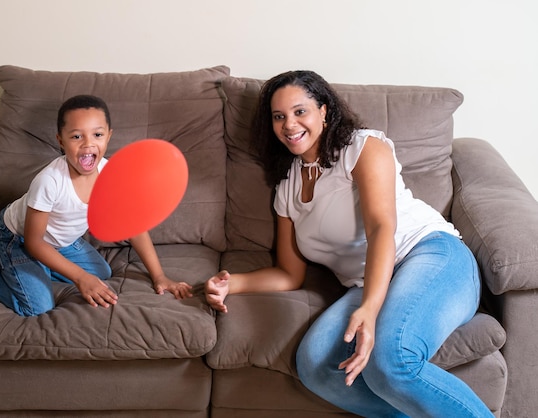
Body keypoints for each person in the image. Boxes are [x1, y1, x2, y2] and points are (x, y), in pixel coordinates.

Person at [204, 71, 492, 417]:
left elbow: (382, 227)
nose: (289, 124)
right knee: (315, 366)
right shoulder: (287, 190)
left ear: (324, 111)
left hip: (429, 254)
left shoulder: (362, 147)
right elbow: (288, 274)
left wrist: (369, 309)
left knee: (391, 359)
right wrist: (230, 283)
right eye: (278, 116)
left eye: (300, 111)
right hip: (367, 281)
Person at [0, 94, 192, 316]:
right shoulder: (49, 181)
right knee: (38, 306)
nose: (88, 144)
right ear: (61, 140)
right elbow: (35, 242)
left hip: (58, 243)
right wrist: (79, 278)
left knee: (101, 274)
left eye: (97, 135)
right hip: (18, 238)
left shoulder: (111, 174)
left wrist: (159, 276)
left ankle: (36, 268)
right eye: (77, 136)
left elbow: (133, 226)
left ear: (109, 135)